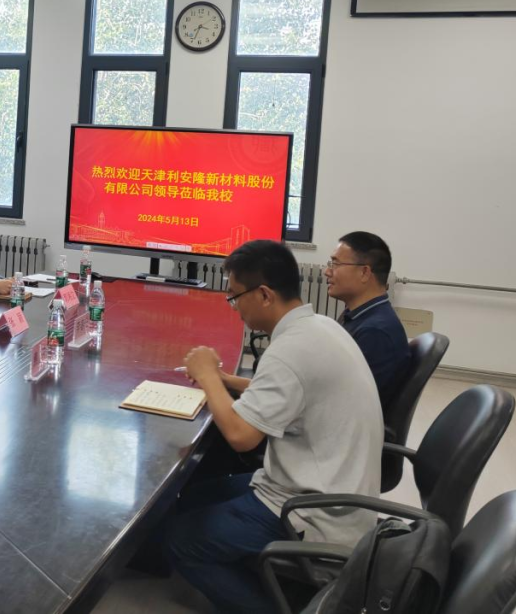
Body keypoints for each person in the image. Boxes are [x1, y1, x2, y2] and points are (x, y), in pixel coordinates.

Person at [165, 240, 382, 614]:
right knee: (192, 497)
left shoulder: (289, 351)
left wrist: (208, 376)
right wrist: (226, 380)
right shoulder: (318, 327)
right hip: (325, 487)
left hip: (313, 512)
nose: (234, 307)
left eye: (235, 297)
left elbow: (242, 437)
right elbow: (290, 389)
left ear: (264, 295)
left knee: (179, 540)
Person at [325, 231, 411, 408]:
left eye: (335, 264)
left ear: (364, 272)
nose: (327, 271)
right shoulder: (360, 315)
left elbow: (346, 403)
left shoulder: (375, 333)